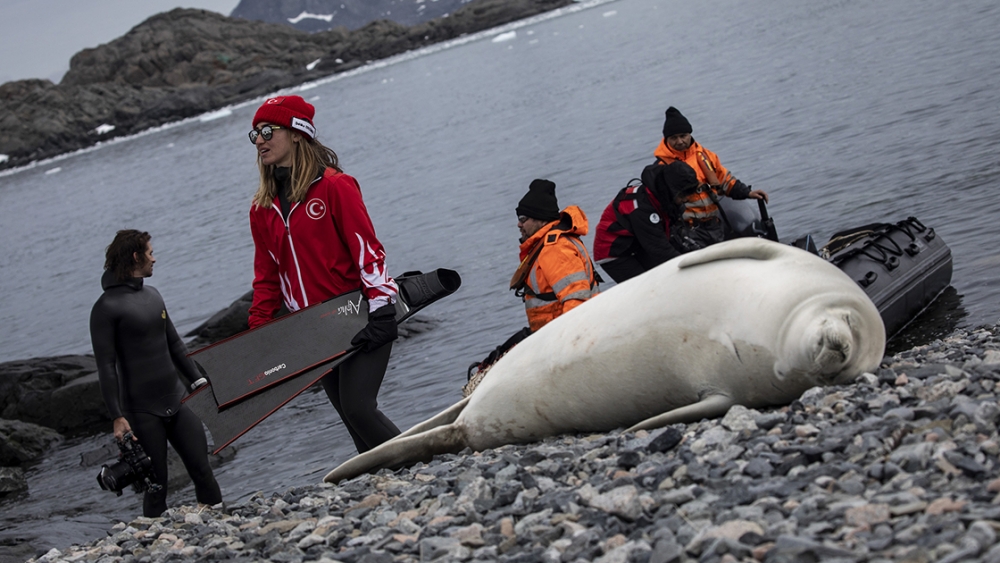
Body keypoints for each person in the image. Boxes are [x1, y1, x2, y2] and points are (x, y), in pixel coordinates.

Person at [246, 95, 400, 454]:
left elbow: (367, 251)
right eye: (255, 134)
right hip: (313, 330)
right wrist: (258, 332)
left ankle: (426, 464)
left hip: (356, 314)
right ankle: (390, 477)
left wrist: (382, 310)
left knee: (359, 408)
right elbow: (266, 276)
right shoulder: (262, 208)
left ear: (297, 133)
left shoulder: (335, 186)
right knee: (350, 417)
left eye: (268, 131)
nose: (259, 141)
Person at [90, 230, 222, 517]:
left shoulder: (153, 295)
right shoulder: (105, 309)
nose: (154, 258)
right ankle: (153, 535)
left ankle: (219, 522)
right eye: (150, 253)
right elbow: (106, 367)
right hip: (142, 410)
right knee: (156, 485)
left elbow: (175, 343)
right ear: (136, 256)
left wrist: (198, 381)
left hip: (178, 398)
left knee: (203, 469)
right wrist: (117, 416)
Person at [468, 180, 599, 385]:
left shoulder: (555, 249)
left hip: (565, 338)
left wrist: (570, 348)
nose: (518, 224)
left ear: (540, 219)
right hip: (548, 335)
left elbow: (576, 301)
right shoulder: (545, 246)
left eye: (523, 219)